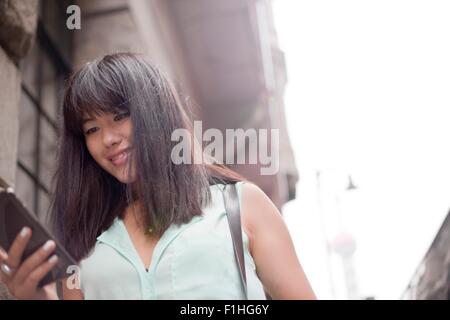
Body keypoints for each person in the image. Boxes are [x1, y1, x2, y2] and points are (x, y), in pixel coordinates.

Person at [0, 53, 316, 300]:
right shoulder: (86, 243)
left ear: (158, 113)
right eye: (91, 129)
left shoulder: (241, 204)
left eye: (120, 116)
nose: (107, 139)